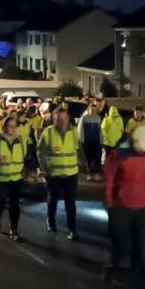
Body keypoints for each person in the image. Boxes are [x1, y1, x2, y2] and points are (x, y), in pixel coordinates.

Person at [102, 125, 145, 287]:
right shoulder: (118, 155)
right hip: (121, 206)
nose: (144, 150)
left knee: (141, 243)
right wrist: (109, 202)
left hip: (144, 206)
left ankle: (138, 274)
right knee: (123, 243)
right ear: (134, 141)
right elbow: (109, 179)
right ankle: (113, 266)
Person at [37, 108, 80, 240]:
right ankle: (51, 220)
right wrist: (46, 170)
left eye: (64, 118)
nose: (62, 121)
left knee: (71, 203)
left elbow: (78, 149)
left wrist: (84, 163)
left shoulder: (73, 132)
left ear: (68, 119)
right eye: (59, 119)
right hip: (53, 175)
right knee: (52, 200)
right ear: (54, 120)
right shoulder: (48, 132)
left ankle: (72, 229)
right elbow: (41, 153)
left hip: (71, 174)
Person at [0, 116, 26, 241]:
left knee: (15, 205)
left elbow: (25, 156)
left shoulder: (21, 140)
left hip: (16, 178)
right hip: (1, 178)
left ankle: (14, 229)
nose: (13, 129)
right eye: (10, 126)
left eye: (15, 126)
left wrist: (28, 171)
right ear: (4, 127)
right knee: (1, 202)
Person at [77, 103, 103, 181]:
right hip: (87, 141)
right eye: (92, 109)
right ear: (89, 109)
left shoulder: (98, 118)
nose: (93, 110)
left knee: (97, 158)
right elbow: (80, 128)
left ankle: (96, 174)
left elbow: (100, 130)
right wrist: (81, 139)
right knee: (88, 158)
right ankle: (89, 174)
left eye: (94, 109)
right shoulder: (84, 118)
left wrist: (101, 140)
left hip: (96, 141)